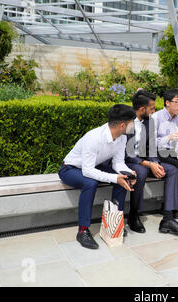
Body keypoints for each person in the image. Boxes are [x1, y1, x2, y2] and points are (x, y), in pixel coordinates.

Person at [58, 104, 137, 249]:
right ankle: (82, 231)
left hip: (93, 166)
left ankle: (114, 223)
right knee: (90, 183)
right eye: (132, 122)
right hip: (70, 169)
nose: (134, 125)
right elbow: (87, 171)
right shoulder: (94, 137)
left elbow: (118, 163)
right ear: (122, 125)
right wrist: (115, 178)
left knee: (122, 179)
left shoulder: (122, 137)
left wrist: (127, 173)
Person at [125, 89, 178, 235]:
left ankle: (167, 218)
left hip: (147, 160)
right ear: (143, 109)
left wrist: (155, 163)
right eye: (152, 108)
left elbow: (151, 147)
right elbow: (127, 154)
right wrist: (150, 164)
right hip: (129, 162)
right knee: (141, 173)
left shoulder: (149, 122)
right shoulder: (126, 122)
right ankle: (133, 215)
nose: (154, 111)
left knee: (173, 170)